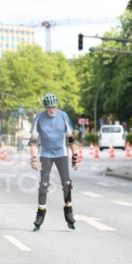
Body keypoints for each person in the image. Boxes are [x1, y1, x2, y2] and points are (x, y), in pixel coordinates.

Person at [29, 93, 81, 230]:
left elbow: (71, 139)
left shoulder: (63, 116)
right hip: (45, 153)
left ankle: (69, 213)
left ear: (57, 106)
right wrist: (34, 159)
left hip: (61, 153)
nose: (52, 110)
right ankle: (40, 214)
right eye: (49, 107)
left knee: (67, 183)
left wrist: (75, 158)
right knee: (43, 184)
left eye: (54, 107)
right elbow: (34, 141)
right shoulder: (39, 118)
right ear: (45, 107)